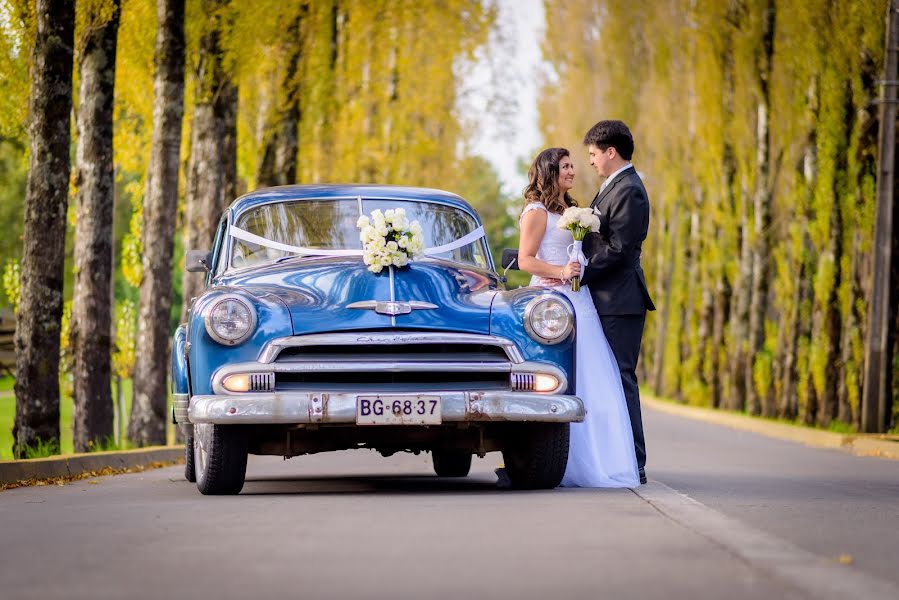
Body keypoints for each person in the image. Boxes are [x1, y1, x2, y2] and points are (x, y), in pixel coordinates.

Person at [513, 146, 640, 488]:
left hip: (578, 298)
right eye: (566, 166)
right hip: (552, 301)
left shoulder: (571, 209)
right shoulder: (536, 211)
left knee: (594, 374)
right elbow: (526, 260)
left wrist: (579, 268)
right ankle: (552, 457)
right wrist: (559, 270)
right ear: (549, 171)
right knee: (563, 374)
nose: (572, 171)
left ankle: (602, 459)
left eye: (572, 165)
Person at [579, 120, 656, 485]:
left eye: (593, 154)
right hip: (605, 297)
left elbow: (620, 251)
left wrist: (579, 270)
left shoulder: (630, 190)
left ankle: (634, 462)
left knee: (621, 378)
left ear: (611, 152)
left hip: (620, 300)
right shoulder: (613, 187)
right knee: (606, 381)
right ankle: (612, 456)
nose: (591, 161)